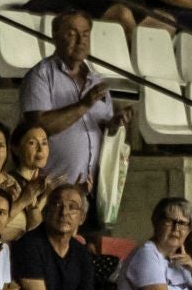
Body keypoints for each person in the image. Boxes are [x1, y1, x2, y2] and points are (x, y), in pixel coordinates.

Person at [19, 16, 128, 202]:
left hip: (93, 192)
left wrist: (114, 125)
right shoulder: (41, 76)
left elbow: (100, 130)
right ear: (55, 35)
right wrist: (83, 105)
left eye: (85, 35)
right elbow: (37, 126)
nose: (80, 41)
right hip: (51, 192)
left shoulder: (97, 80)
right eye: (72, 34)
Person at [10, 184, 104, 290]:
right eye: (57, 204)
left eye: (72, 207)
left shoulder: (81, 254)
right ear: (46, 211)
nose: (64, 212)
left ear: (82, 218)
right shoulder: (30, 245)